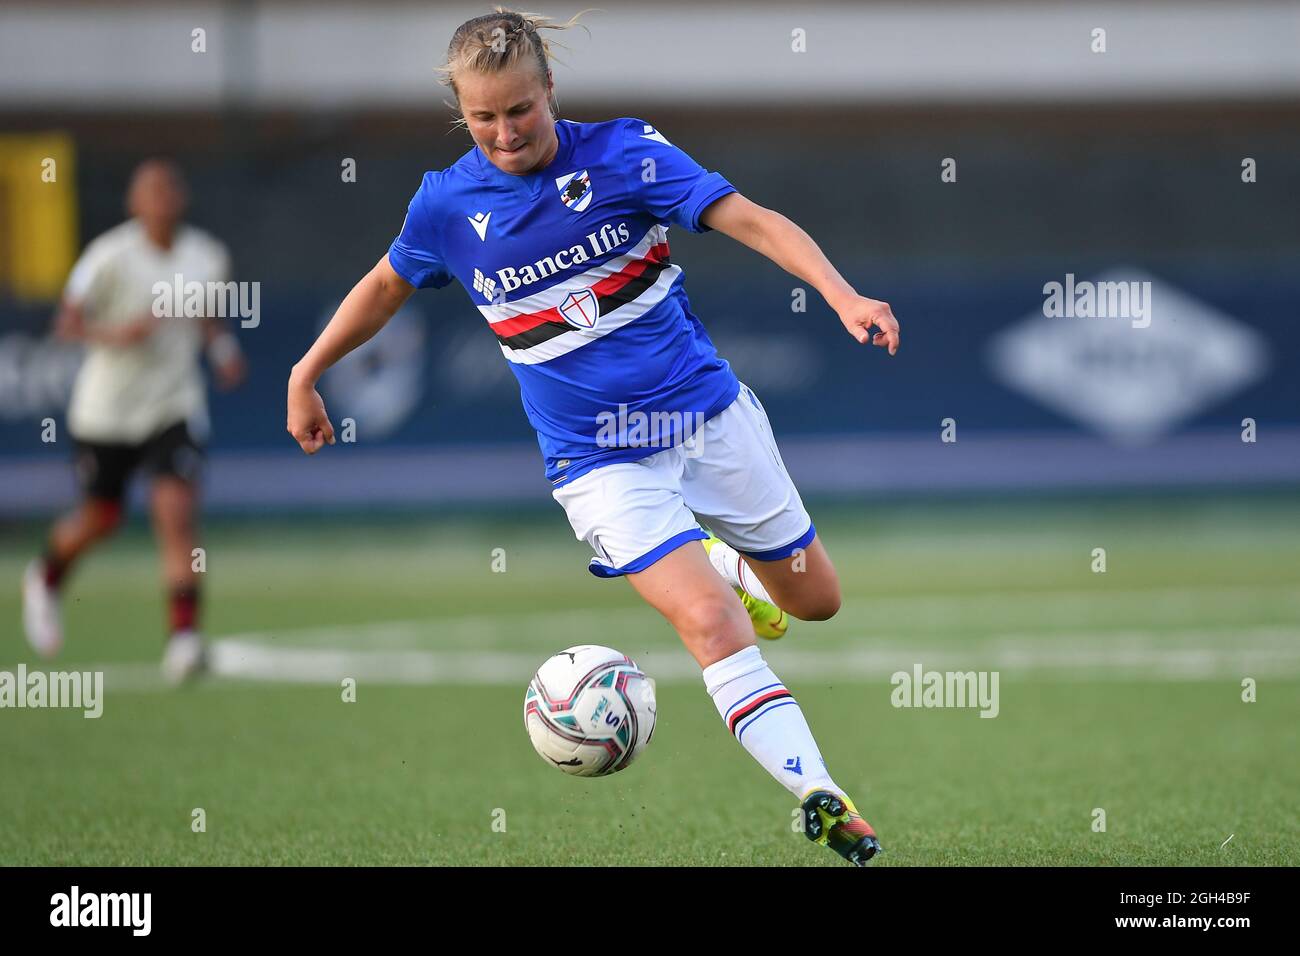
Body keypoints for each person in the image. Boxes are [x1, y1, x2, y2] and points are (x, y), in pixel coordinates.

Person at [286, 9, 899, 865]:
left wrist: (843, 296)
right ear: (460, 112)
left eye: (519, 111)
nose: (503, 133)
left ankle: (725, 559)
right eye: (483, 117)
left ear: (549, 92)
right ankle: (818, 789)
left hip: (709, 418)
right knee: (711, 623)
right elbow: (384, 287)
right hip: (599, 462)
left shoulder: (623, 153)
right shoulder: (445, 204)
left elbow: (753, 219)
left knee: (814, 600)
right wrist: (306, 371)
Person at [22, 159, 246, 685]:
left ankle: (184, 638)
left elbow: (208, 319)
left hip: (173, 405)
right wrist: (115, 334)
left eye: (170, 188)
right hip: (107, 410)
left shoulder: (206, 256)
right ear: (133, 203)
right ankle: (47, 576)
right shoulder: (109, 256)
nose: (161, 198)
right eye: (150, 190)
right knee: (102, 517)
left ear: (181, 197)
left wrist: (224, 352)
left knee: (176, 513)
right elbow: (67, 321)